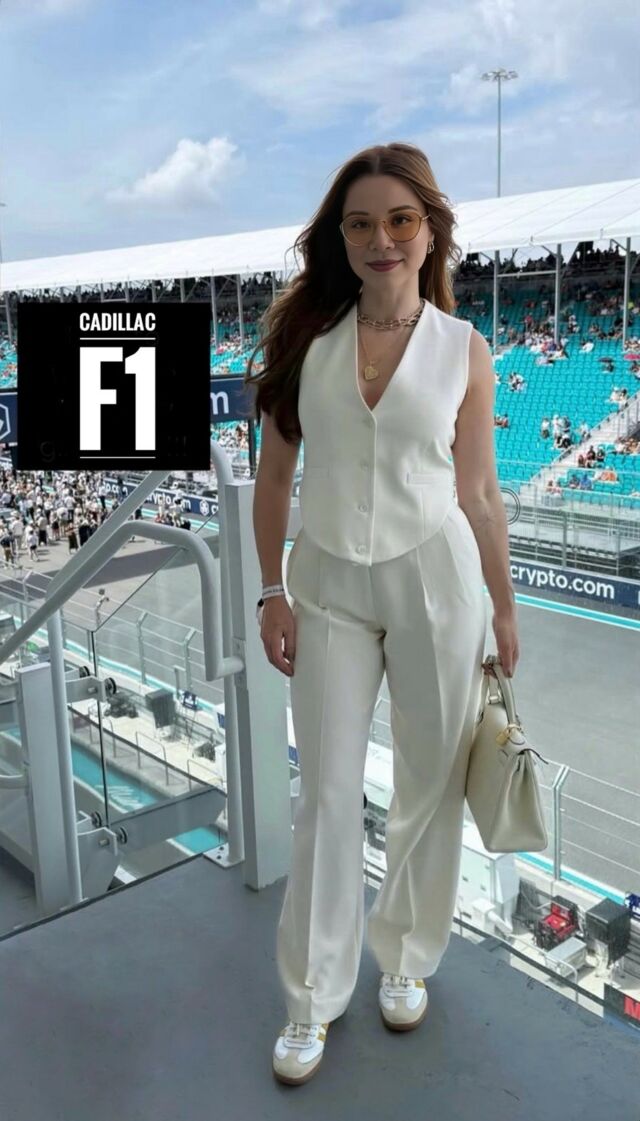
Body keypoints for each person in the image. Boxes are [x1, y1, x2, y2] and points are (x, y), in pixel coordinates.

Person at [246, 143, 519, 1086]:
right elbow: (273, 479)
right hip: (325, 582)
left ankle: (405, 955)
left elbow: (479, 493)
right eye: (360, 223)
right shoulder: (306, 342)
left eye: (400, 219)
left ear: (430, 230)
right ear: (340, 238)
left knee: (427, 784)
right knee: (323, 791)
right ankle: (310, 996)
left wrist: (504, 608)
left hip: (437, 579)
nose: (381, 239)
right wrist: (271, 590)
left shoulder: (464, 348)